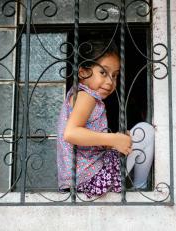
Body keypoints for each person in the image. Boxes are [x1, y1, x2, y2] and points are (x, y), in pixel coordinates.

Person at [56, 39, 154, 198]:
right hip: (91, 178)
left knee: (129, 138)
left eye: (115, 75)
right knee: (145, 131)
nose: (110, 81)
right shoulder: (87, 96)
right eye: (103, 72)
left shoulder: (78, 95)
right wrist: (113, 139)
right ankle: (140, 188)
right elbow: (71, 134)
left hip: (77, 181)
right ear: (82, 72)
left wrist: (115, 142)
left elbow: (86, 144)